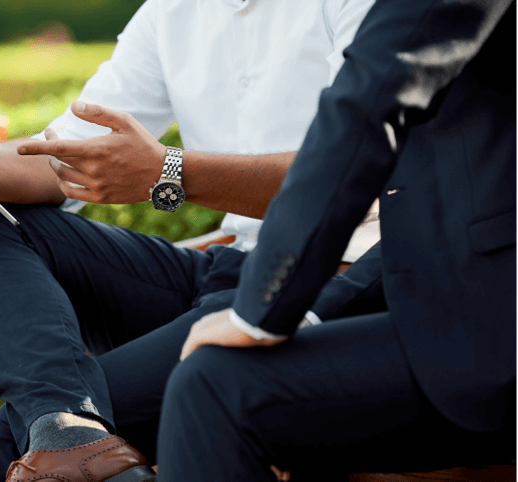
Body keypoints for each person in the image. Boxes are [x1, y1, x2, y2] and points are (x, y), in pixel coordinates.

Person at [0, 0, 379, 480]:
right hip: (226, 268)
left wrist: (170, 172)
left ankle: (66, 432)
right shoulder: (171, 12)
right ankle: (69, 430)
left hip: (328, 281)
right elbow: (66, 156)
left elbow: (351, 173)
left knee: (16, 440)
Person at [151, 0, 517, 480]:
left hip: (489, 331)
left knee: (214, 388)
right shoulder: (168, 14)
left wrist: (261, 310)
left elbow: (367, 104)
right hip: (437, 303)